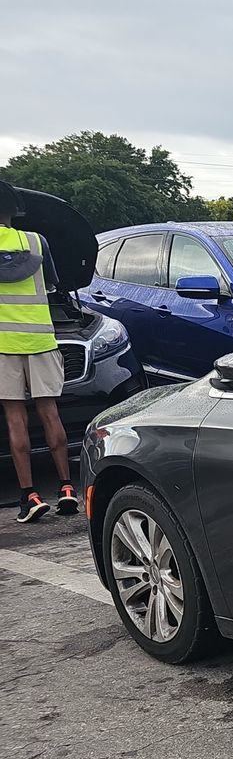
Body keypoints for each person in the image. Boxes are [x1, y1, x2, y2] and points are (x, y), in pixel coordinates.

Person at [0, 180, 77, 522]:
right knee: (50, 413)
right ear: (14, 211)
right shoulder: (36, 242)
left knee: (16, 419)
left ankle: (29, 497)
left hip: (4, 345)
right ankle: (66, 489)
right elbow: (52, 285)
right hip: (42, 340)